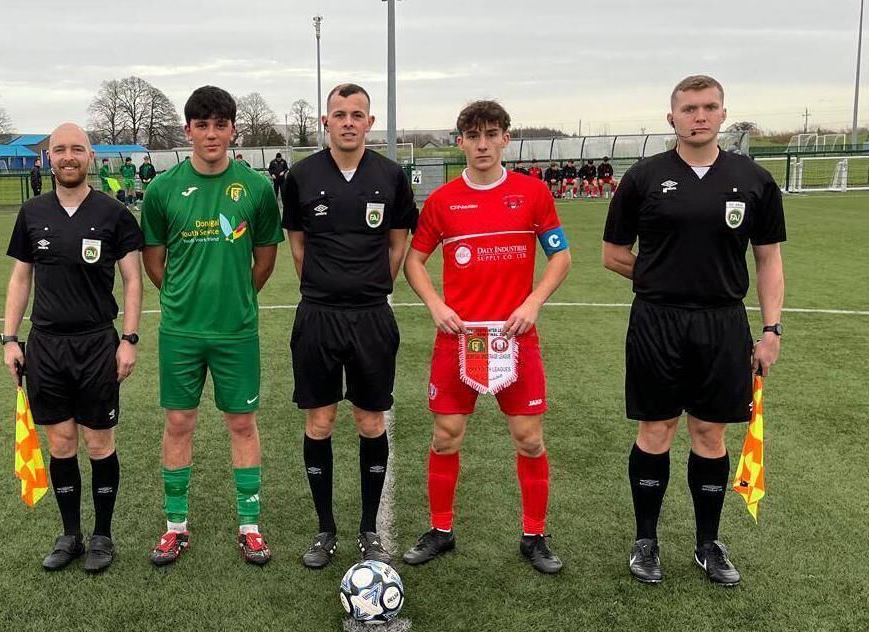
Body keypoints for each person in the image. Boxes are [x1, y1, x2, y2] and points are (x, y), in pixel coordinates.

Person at [602, 75, 785, 587]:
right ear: (672, 118)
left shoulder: (753, 180)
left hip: (724, 322)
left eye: (708, 107)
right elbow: (613, 254)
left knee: (710, 432)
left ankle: (707, 544)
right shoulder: (643, 177)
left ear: (723, 114)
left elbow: (768, 259)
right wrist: (663, 277)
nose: (698, 116)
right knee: (655, 431)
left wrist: (771, 330)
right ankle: (646, 541)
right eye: (688, 108)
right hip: (656, 321)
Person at [401, 100, 571, 574]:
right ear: (460, 141)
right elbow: (414, 260)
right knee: (446, 436)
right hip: (459, 340)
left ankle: (534, 536)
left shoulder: (533, 194)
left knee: (529, 439)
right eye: (473, 136)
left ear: (505, 139)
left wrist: (532, 302)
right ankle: (440, 530)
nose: (482, 144)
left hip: (517, 338)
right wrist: (436, 306)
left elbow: (560, 257)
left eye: (491, 134)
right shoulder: (442, 202)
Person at [140, 85, 284, 567]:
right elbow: (154, 263)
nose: (211, 134)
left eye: (220, 124)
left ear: (232, 129)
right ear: (188, 131)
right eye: (201, 125)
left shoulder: (257, 189)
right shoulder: (161, 191)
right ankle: (175, 527)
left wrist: (236, 298)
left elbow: (265, 260)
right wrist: (184, 299)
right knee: (179, 422)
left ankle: (250, 527)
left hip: (236, 330)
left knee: (242, 422)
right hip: (181, 331)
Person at [282, 83, 417, 568]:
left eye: (357, 114)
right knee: (319, 422)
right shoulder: (300, 176)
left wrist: (370, 283)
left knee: (369, 420)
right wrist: (325, 286)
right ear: (325, 121)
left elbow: (398, 244)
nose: (348, 121)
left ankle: (367, 529)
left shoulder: (391, 176)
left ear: (369, 122)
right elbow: (297, 246)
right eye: (339, 113)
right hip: (318, 315)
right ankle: (325, 530)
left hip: (371, 316)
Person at [1, 122, 144, 574]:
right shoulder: (31, 212)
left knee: (99, 442)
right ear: (49, 158)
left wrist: (129, 339)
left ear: (91, 157)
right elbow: (21, 278)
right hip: (46, 345)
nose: (68, 157)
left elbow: (133, 280)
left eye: (76, 149)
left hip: (97, 343)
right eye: (60, 149)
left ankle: (102, 535)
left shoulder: (114, 213)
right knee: (61, 443)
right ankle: (70, 535)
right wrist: (9, 338)